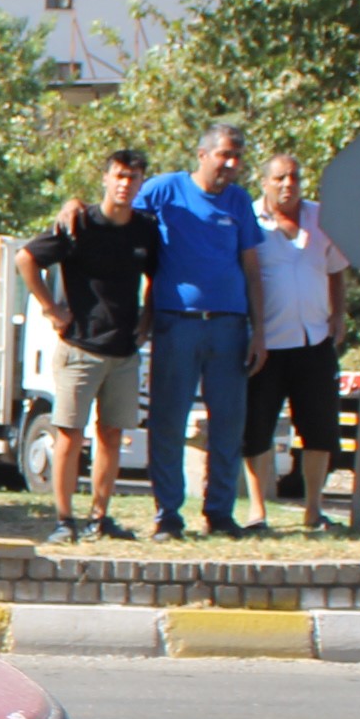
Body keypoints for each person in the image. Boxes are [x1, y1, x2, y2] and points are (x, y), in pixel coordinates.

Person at [132, 122, 270, 538]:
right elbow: (119, 211)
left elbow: (251, 267)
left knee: (228, 422)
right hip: (177, 323)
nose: (231, 163)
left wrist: (258, 331)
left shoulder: (239, 201)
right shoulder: (165, 189)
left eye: (238, 156)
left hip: (228, 326)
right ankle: (168, 514)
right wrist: (73, 206)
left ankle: (219, 512)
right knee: (168, 421)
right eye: (224, 154)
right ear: (202, 154)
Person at [14, 151, 160, 543]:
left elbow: (158, 278)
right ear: (106, 179)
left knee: (112, 435)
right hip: (80, 348)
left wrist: (146, 323)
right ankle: (64, 520)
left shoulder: (145, 229)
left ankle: (100, 518)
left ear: (142, 183)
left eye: (134, 177)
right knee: (70, 435)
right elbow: (26, 258)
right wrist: (50, 307)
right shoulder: (79, 222)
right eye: (120, 175)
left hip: (124, 351)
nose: (126, 183)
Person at [238, 150, 353, 531]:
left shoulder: (322, 218)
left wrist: (338, 315)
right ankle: (257, 510)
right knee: (257, 429)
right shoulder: (250, 220)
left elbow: (336, 270)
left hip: (314, 340)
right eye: (280, 178)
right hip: (267, 343)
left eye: (295, 177)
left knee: (320, 428)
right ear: (265, 183)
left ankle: (313, 509)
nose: (289, 185)